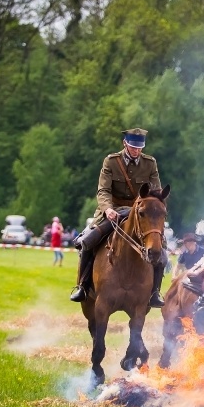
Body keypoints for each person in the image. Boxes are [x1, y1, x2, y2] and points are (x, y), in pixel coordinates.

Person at [69, 128, 167, 307]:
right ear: (125, 144)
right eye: (132, 147)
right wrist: (107, 209)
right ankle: (82, 286)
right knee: (88, 241)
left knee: (162, 251)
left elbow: (156, 192)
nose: (136, 151)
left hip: (139, 213)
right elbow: (103, 190)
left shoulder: (150, 163)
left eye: (139, 148)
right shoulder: (111, 161)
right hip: (112, 211)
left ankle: (154, 293)